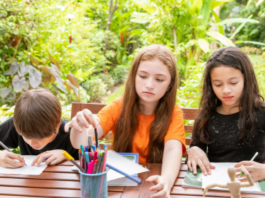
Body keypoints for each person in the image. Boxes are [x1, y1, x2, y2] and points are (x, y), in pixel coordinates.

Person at [66, 44, 186, 198]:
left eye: (159, 79)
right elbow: (81, 143)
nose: (149, 84)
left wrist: (167, 181)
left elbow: (173, 150)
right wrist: (79, 127)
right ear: (134, 77)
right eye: (143, 76)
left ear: (170, 84)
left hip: (153, 185)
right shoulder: (117, 107)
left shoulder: (174, 113)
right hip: (119, 187)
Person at [187, 46, 265, 182]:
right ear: (211, 85)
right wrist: (193, 151)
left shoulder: (262, 113)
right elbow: (196, 149)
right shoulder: (205, 117)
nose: (226, 90)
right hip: (215, 185)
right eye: (218, 84)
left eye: (233, 83)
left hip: (255, 187)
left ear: (246, 80)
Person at [0, 88, 78, 168]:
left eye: (40, 138)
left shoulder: (72, 134)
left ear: (57, 125)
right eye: (25, 136)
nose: (32, 143)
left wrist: (66, 156)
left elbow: (87, 166)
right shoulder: (21, 123)